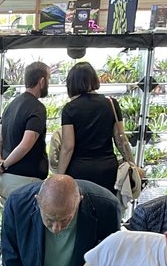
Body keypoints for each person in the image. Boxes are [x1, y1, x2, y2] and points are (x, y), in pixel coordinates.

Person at [57, 62, 135, 194]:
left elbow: (67, 147)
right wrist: (132, 163)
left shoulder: (70, 109)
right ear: (93, 79)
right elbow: (120, 138)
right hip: (107, 168)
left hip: (79, 169)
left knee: (79, 209)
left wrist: (59, 176)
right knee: (106, 206)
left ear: (72, 83)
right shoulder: (111, 103)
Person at [0, 62, 50, 201]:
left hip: (5, 180)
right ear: (42, 81)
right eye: (49, 78)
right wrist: (4, 165)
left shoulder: (11, 105)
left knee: (10, 219)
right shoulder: (37, 108)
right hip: (26, 180)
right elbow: (26, 144)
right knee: (26, 220)